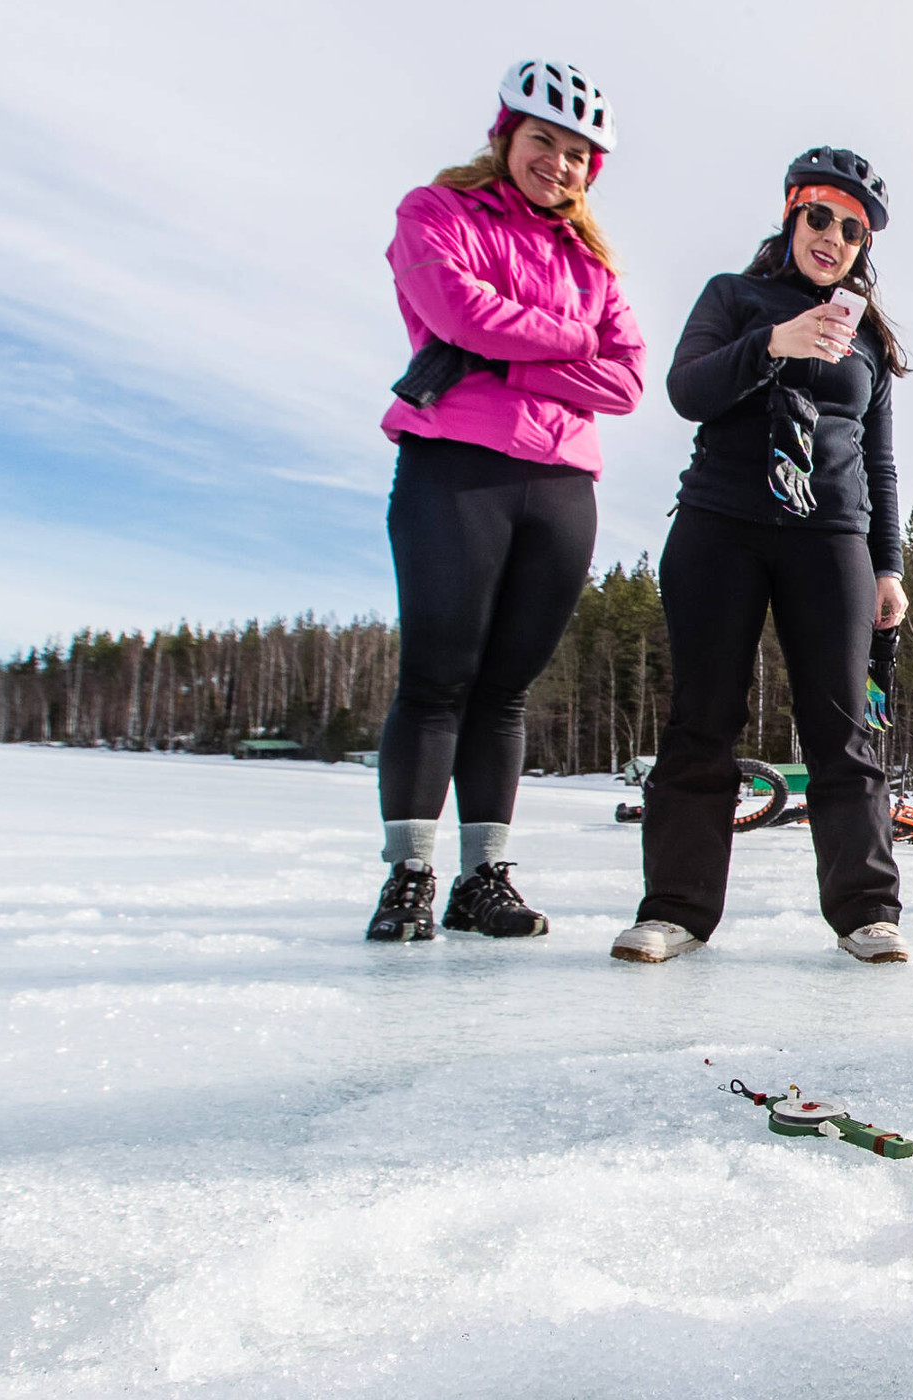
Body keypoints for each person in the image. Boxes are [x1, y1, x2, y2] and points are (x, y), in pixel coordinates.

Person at [365, 59, 642, 943]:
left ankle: (485, 875)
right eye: (543, 142)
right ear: (506, 135)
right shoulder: (436, 212)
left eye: (574, 154)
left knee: (507, 692)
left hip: (561, 486)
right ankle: (410, 872)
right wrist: (566, 345)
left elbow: (628, 377)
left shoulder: (590, 261)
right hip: (456, 466)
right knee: (438, 675)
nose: (556, 164)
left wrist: (508, 355)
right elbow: (456, 311)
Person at [612, 147, 911, 965]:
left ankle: (867, 913)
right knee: (702, 719)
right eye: (822, 217)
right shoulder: (734, 298)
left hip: (832, 539)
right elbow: (686, 390)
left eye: (854, 231)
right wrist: (775, 342)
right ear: (791, 216)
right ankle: (674, 909)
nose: (835, 238)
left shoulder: (867, 339)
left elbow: (878, 459)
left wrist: (888, 565)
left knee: (843, 728)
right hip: (722, 525)